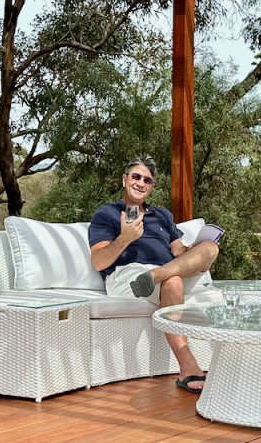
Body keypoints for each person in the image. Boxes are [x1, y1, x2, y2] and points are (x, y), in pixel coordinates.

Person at [89, 156, 219, 394]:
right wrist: (124, 239)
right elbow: (98, 261)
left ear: (152, 186)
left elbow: (178, 250)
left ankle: (157, 275)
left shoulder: (162, 215)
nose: (141, 183)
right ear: (124, 179)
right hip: (128, 277)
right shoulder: (107, 214)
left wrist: (195, 250)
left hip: (160, 274)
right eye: (136, 177)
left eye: (147, 180)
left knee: (211, 247)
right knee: (174, 280)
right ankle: (188, 366)